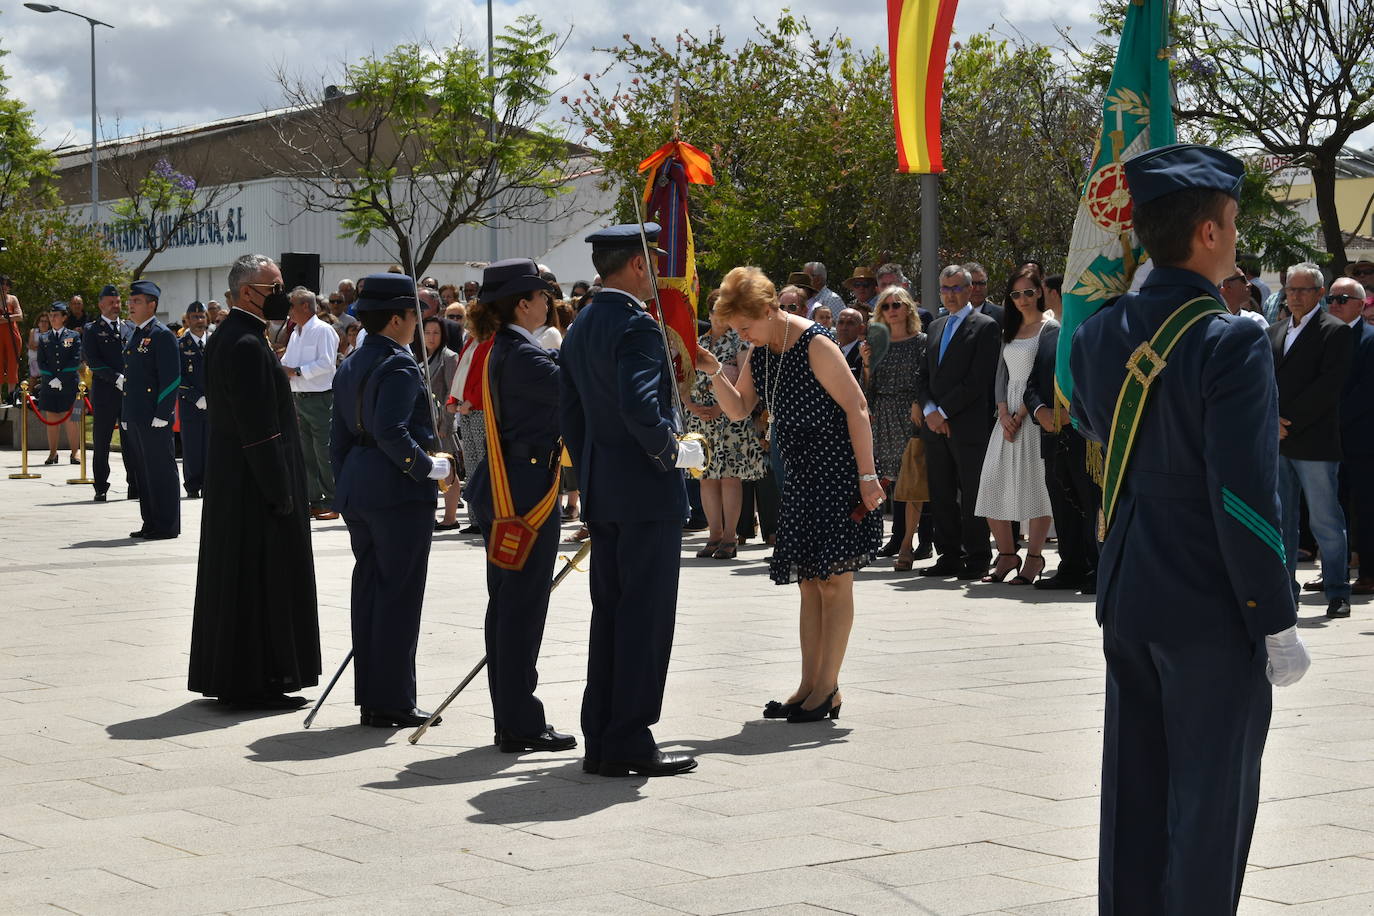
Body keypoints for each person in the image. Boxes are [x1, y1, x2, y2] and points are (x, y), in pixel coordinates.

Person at [1070, 143, 1310, 912]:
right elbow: (1243, 499)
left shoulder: (1099, 332)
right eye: (1232, 223)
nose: (1235, 238)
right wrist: (1273, 617)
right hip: (1210, 600)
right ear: (1207, 233)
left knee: (1133, 799)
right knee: (1209, 810)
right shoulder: (1230, 337)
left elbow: (1087, 420)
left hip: (1131, 585)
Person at [702, 265, 882, 723]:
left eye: (746, 326)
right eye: (738, 330)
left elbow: (857, 408)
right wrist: (712, 373)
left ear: (767, 309)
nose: (744, 336)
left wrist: (868, 476)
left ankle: (829, 688)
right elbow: (740, 410)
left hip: (837, 471)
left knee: (834, 581)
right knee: (808, 582)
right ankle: (808, 685)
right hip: (800, 473)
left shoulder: (815, 342)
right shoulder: (760, 350)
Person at [559, 223, 704, 777]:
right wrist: (673, 454)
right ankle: (628, 738)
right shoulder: (637, 327)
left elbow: (571, 417)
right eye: (654, 263)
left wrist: (599, 471)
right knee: (644, 618)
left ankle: (603, 732)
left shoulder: (584, 324)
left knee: (612, 615)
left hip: (607, 490)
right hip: (645, 493)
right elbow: (641, 407)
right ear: (639, 266)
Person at [188, 254, 320, 709]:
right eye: (274, 286)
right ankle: (257, 678)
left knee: (244, 580)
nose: (281, 293)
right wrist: (278, 489)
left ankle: (248, 675)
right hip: (253, 483)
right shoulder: (243, 342)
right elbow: (259, 427)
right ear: (248, 292)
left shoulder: (239, 336)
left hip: (238, 480)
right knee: (259, 582)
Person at [461, 259, 577, 753]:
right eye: (541, 296)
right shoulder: (523, 356)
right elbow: (576, 394)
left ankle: (511, 718)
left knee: (508, 608)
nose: (548, 304)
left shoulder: (504, 348)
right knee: (520, 611)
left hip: (510, 482)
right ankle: (519, 722)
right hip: (523, 493)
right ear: (522, 304)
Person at [331, 273, 451, 728]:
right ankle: (394, 701)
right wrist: (428, 467)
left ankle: (375, 697)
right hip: (397, 492)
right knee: (399, 596)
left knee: (370, 593)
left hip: (360, 487)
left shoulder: (353, 362)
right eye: (415, 316)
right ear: (398, 318)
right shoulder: (400, 365)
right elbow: (391, 431)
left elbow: (337, 436)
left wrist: (346, 482)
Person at [1267, 262, 1354, 617]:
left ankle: (1337, 590)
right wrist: (1271, 421)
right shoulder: (1272, 331)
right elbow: (1262, 382)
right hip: (1277, 441)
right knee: (1281, 521)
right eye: (1291, 289)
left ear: (1320, 293)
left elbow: (1328, 387)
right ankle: (1286, 590)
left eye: (1304, 290)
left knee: (1324, 520)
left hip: (1314, 442)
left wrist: (1289, 422)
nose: (1296, 296)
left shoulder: (1335, 331)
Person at [915, 265, 1001, 579]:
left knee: (972, 493)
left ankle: (977, 557)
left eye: (956, 288)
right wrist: (930, 412)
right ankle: (948, 555)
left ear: (969, 290)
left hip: (967, 425)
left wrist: (944, 412)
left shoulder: (985, 326)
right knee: (941, 493)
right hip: (935, 426)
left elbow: (977, 379)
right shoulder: (935, 327)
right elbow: (923, 377)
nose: (950, 294)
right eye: (945, 288)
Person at [974, 266, 1056, 584]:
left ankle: (1034, 558)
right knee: (991, 483)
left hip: (1034, 415)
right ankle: (1007, 555)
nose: (1022, 299)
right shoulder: (1010, 327)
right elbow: (1001, 376)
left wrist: (1021, 414)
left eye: (1028, 292)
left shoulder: (1050, 327)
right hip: (1007, 417)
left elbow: (1043, 376)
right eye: (1016, 294)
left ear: (1039, 292)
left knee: (1036, 487)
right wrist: (1004, 413)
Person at [1023, 311, 1099, 596]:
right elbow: (1031, 385)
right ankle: (1071, 567)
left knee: (1092, 505)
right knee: (1062, 505)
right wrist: (1040, 411)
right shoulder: (1051, 337)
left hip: (1086, 437)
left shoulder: (1094, 332)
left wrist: (1073, 414)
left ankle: (1097, 568)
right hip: (1052, 436)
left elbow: (1102, 384)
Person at [686, 295, 767, 559]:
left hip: (730, 417)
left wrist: (723, 407)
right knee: (706, 478)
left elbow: (746, 377)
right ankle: (714, 535)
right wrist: (691, 406)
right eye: (714, 310)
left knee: (730, 478)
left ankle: (730, 537)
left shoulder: (740, 341)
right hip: (701, 419)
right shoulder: (697, 343)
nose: (718, 315)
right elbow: (682, 379)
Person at [862, 286, 926, 570]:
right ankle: (881, 538)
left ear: (908, 308)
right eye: (886, 306)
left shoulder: (921, 341)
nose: (892, 310)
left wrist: (917, 402)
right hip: (882, 417)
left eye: (897, 304)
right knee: (889, 482)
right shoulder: (877, 343)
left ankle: (906, 544)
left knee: (911, 483)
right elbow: (868, 389)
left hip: (910, 415)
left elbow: (927, 378)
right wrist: (866, 365)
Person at [119, 281, 181, 539]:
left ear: (152, 304)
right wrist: (125, 414)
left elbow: (171, 378)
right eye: (131, 301)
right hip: (135, 414)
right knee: (143, 472)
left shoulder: (162, 334)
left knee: (160, 470)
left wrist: (162, 413)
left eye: (137, 301)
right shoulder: (135, 334)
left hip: (154, 416)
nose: (131, 305)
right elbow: (131, 378)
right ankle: (150, 521)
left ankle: (166, 525)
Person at [281, 286, 341, 520]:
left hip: (319, 399)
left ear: (305, 306)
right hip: (299, 398)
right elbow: (287, 361)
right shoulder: (296, 331)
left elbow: (327, 364)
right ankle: (314, 501)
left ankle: (333, 501)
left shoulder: (322, 330)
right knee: (306, 454)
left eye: (292, 306)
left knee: (323, 452)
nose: (289, 312)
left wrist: (295, 371)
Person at [1331, 277, 1374, 596]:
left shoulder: (1370, 339)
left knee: (1366, 505)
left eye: (1342, 299)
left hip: (1362, 438)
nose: (1334, 304)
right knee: (1333, 506)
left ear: (1361, 304)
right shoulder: (1323, 337)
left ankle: (1369, 572)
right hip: (1327, 439)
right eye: (1330, 299)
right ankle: (1336, 571)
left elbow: (1366, 391)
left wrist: (1333, 416)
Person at [450, 298, 497, 535]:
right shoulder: (470, 341)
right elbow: (462, 373)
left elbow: (485, 378)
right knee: (470, 464)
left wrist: (472, 402)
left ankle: (486, 516)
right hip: (466, 410)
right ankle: (475, 518)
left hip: (480, 410)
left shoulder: (491, 342)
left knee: (482, 463)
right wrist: (453, 400)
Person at [423, 315, 463, 530]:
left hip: (442, 421)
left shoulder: (449, 357)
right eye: (427, 332)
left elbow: (451, 392)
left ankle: (450, 517)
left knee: (448, 469)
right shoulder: (422, 357)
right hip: (426, 421)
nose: (431, 337)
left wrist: (446, 425)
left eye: (435, 333)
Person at [36, 301, 84, 465]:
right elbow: (41, 362)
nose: (52, 318)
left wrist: (61, 379)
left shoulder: (74, 336)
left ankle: (75, 453)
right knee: (52, 419)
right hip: (50, 386)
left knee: (73, 420)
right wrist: (52, 380)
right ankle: (52, 453)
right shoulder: (44, 338)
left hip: (70, 385)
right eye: (50, 315)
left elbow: (75, 360)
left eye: (56, 315)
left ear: (64, 317)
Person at [177, 302, 210, 498]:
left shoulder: (214, 342)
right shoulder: (180, 345)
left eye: (202, 317)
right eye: (195, 317)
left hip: (212, 404)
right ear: (188, 320)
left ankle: (209, 483)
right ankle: (192, 485)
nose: (199, 321)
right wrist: (195, 397)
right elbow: (177, 376)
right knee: (191, 447)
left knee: (210, 446)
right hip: (190, 404)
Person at [0, 275, 23, 399]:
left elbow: (20, 316)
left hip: (12, 334)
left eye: (6, 284)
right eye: (2, 283)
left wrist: (6, 318)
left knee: (12, 363)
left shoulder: (12, 299)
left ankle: (11, 394)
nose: (4, 286)